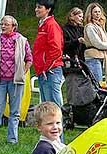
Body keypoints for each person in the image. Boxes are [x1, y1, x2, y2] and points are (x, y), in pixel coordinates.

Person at [0, 15, 32, 144]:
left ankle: (12, 139)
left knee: (15, 112)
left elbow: (29, 59)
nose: (3, 26)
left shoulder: (22, 40)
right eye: (1, 24)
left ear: (13, 26)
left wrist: (23, 71)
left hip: (16, 81)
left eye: (6, 24)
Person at [33, 0, 64, 141]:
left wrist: (47, 67)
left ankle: (59, 143)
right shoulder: (43, 25)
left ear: (48, 9)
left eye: (39, 7)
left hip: (50, 71)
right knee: (47, 109)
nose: (36, 9)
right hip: (43, 71)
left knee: (53, 110)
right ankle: (51, 141)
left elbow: (56, 49)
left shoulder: (51, 25)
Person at [83, 2, 107, 83]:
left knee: (100, 84)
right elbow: (98, 44)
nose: (97, 14)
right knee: (96, 84)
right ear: (91, 13)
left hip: (100, 57)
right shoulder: (90, 27)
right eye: (95, 12)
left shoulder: (100, 27)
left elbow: (103, 43)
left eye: (99, 12)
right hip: (93, 58)